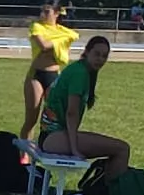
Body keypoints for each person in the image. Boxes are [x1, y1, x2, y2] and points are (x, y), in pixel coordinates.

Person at [39, 37, 127, 180]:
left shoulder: (81, 69)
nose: (100, 59)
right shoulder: (80, 73)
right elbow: (71, 113)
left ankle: (106, 192)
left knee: (117, 148)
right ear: (86, 52)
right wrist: (75, 149)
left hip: (51, 136)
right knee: (122, 149)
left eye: (105, 56)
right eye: (97, 54)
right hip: (53, 138)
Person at [20, 1, 77, 142]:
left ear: (57, 13)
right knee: (31, 119)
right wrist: (59, 42)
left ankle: (48, 148)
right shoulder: (37, 26)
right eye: (42, 11)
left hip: (54, 76)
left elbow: (73, 36)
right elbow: (43, 45)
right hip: (36, 75)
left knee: (53, 120)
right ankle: (24, 155)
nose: (42, 15)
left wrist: (58, 40)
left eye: (47, 12)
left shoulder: (63, 31)